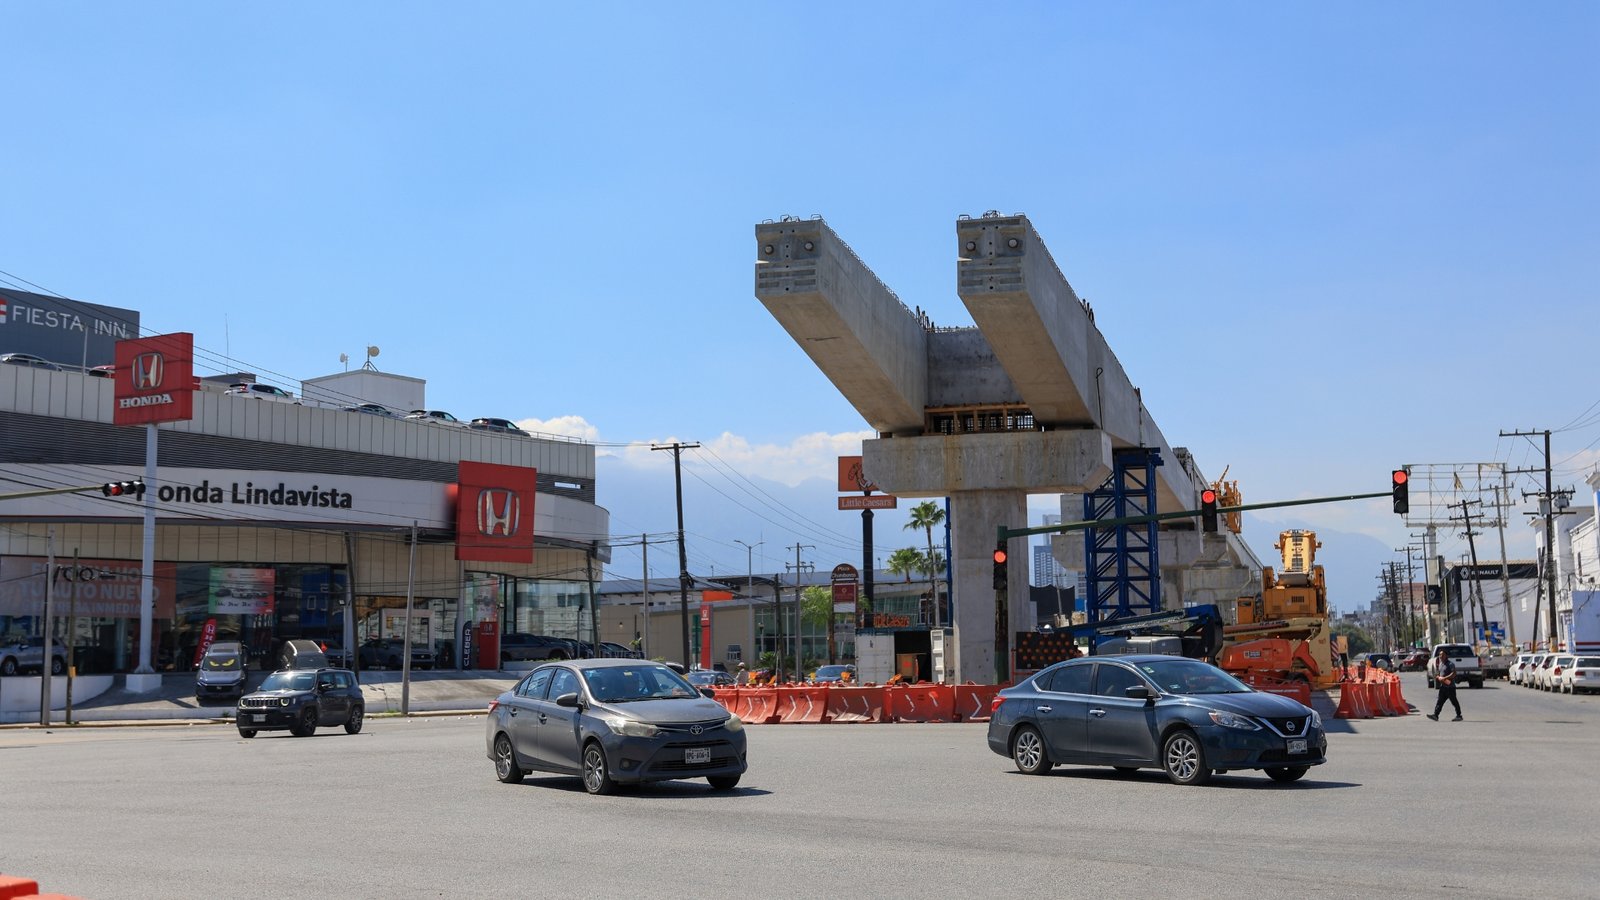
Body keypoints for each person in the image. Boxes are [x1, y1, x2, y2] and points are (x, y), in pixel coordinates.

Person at [1426, 647, 1463, 721]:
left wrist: (1445, 678)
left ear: (1446, 656)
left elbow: (1454, 673)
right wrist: (1438, 677)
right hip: (1443, 687)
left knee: (1454, 701)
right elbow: (1439, 673)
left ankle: (1459, 715)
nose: (1441, 656)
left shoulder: (1450, 664)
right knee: (1440, 701)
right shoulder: (1440, 664)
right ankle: (1436, 715)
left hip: (1450, 687)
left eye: (1442, 655)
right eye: (1440, 655)